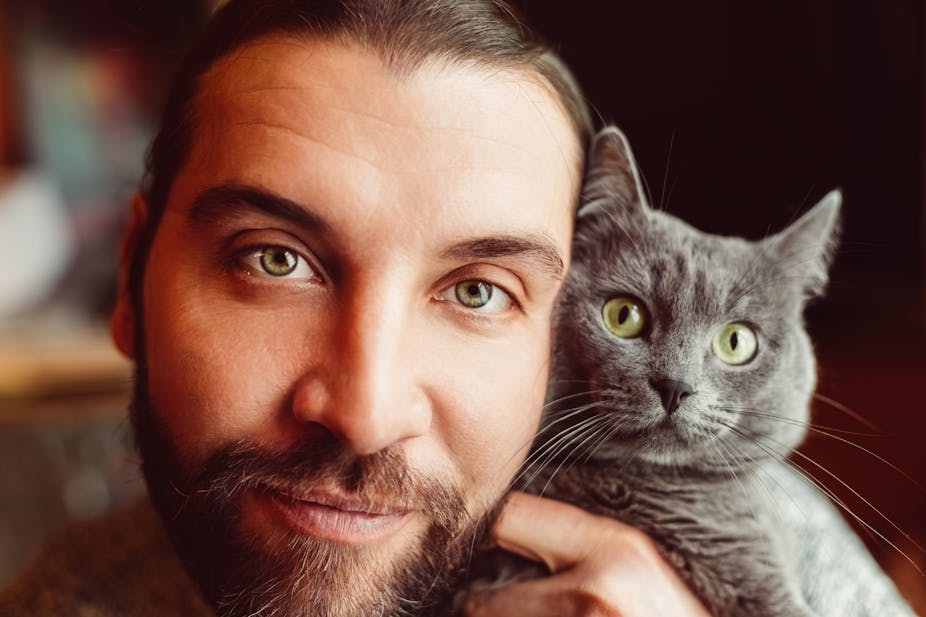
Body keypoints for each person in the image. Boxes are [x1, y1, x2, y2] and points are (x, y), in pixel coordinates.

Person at [0, 1, 913, 616]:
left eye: (478, 290)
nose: (364, 412)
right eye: (274, 260)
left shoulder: (773, 532)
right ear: (129, 282)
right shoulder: (72, 594)